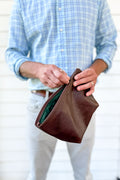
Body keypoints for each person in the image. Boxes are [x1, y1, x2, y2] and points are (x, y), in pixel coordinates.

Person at [5, 0, 117, 179]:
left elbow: (108, 43)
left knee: (83, 175)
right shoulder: (24, 2)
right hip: (41, 105)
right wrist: (39, 70)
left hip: (80, 103)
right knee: (36, 175)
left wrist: (94, 70)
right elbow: (12, 53)